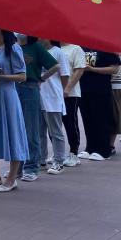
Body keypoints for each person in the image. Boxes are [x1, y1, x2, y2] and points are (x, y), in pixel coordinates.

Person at [0, 28, 27, 192]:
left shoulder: (13, 48)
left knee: (13, 133)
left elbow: (22, 76)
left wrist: (0, 76)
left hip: (7, 96)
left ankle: (12, 178)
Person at [17, 35, 58, 181]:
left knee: (31, 129)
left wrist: (41, 78)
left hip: (29, 87)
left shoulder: (36, 48)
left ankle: (31, 167)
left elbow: (55, 66)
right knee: (17, 130)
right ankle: (17, 167)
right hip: (13, 88)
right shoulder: (14, 47)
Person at [78, 47, 120, 161]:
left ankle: (104, 150)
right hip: (83, 89)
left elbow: (114, 69)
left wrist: (92, 69)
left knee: (101, 119)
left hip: (101, 89)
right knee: (88, 119)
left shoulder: (106, 48)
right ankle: (90, 148)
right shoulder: (81, 47)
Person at [39, 39, 69, 174]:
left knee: (55, 132)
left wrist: (61, 92)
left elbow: (65, 75)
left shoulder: (58, 52)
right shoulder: (37, 51)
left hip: (52, 97)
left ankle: (59, 161)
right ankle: (41, 159)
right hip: (37, 96)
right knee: (39, 132)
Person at [61, 42, 86, 166]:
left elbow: (79, 70)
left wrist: (68, 88)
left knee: (70, 122)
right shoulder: (53, 47)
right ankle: (58, 153)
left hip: (70, 93)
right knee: (53, 125)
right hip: (54, 93)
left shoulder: (76, 48)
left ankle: (74, 153)